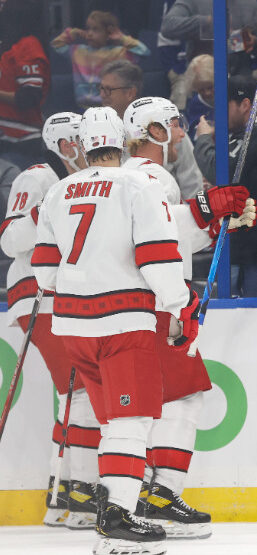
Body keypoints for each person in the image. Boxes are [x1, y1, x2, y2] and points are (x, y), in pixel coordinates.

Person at [32, 105, 197, 555]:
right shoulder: (139, 184)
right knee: (131, 420)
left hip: (73, 327)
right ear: (122, 141)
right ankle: (117, 519)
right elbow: (158, 254)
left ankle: (112, 508)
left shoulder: (59, 191)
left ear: (84, 146)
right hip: (123, 323)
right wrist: (179, 304)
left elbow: (44, 271)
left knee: (112, 421)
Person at [122, 96, 255, 538]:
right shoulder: (149, 174)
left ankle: (145, 493)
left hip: (141, 302)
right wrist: (205, 207)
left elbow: (167, 239)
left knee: (160, 400)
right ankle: (160, 496)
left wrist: (217, 222)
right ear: (155, 131)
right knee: (182, 396)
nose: (182, 132)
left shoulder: (132, 175)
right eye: (174, 124)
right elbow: (155, 235)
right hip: (155, 302)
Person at [0, 112, 104, 531]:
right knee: (80, 389)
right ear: (63, 144)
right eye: (82, 139)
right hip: (38, 295)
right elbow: (10, 240)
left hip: (69, 297)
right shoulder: (37, 178)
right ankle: (79, 496)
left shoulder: (90, 183)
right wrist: (45, 211)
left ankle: (62, 495)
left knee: (75, 391)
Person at [195, 76, 257, 297]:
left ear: (245, 105)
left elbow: (220, 172)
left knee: (251, 313)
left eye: (224, 107)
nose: (218, 115)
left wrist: (203, 139)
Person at [100, 60, 207, 199]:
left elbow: (192, 184)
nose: (102, 95)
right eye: (101, 88)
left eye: (109, 90)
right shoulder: (101, 135)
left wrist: (189, 211)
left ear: (130, 93)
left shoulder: (170, 132)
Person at [51, 10, 150, 108]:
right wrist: (72, 33)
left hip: (107, 106)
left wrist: (121, 38)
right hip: (83, 107)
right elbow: (56, 45)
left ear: (109, 33)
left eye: (96, 30)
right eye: (88, 29)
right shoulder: (78, 51)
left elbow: (144, 52)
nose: (90, 33)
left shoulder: (118, 53)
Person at [0, 0, 50, 169]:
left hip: (22, 144)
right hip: (5, 140)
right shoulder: (8, 44)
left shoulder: (28, 45)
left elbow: (29, 96)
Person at [161, 0, 257, 78]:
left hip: (240, 84)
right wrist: (207, 22)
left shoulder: (250, 3)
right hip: (203, 82)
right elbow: (167, 26)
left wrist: (255, 42)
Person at [184, 54, 215, 134]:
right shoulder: (195, 105)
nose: (207, 93)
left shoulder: (230, 96)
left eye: (210, 87)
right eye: (201, 90)